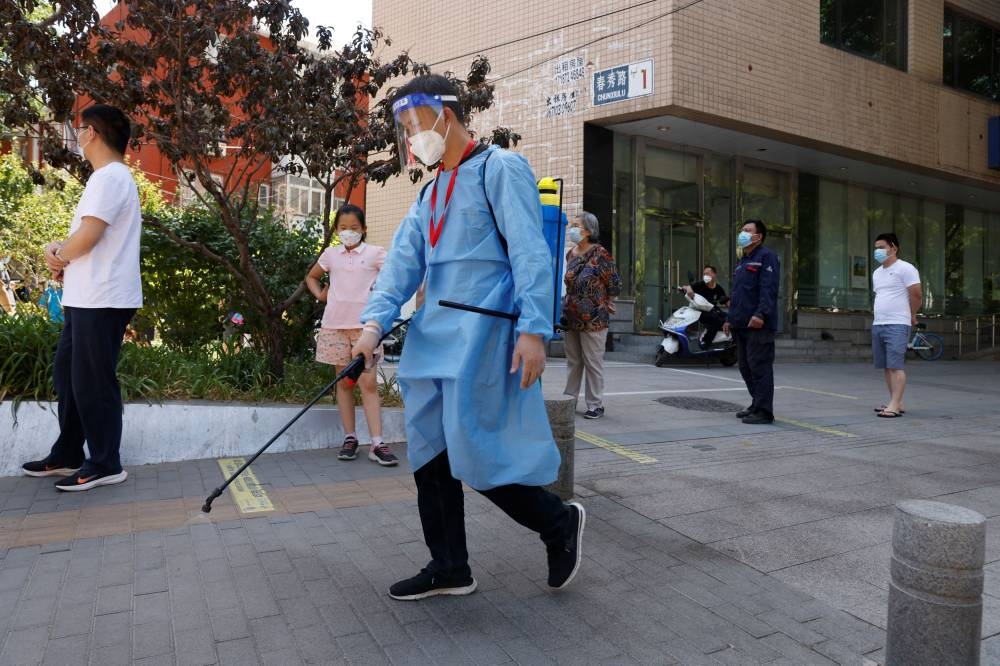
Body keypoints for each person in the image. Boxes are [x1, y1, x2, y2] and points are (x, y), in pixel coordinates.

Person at [352, 74, 585, 601]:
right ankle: (449, 565)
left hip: (484, 336)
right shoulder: (431, 193)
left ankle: (558, 523)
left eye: (414, 125)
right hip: (433, 338)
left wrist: (533, 330)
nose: (412, 139)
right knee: (432, 456)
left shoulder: (498, 168)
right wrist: (371, 327)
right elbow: (400, 269)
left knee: (477, 455)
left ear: (445, 115)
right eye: (405, 130)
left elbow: (530, 251)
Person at [21, 104, 142, 491]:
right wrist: (63, 253)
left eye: (79, 127)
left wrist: (59, 255)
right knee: (69, 375)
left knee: (93, 380)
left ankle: (106, 462)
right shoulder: (108, 178)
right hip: (88, 296)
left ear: (91, 133)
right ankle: (69, 452)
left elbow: (89, 236)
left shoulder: (110, 178)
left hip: (103, 298)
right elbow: (86, 238)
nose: (77, 134)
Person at [305, 204, 397, 466]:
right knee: (344, 383)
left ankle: (377, 442)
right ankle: (350, 438)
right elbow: (311, 278)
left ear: (364, 229)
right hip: (335, 326)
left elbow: (396, 275)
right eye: (343, 228)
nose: (348, 233)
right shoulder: (330, 255)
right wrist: (321, 294)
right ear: (336, 230)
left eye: (354, 228)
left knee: (367, 383)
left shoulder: (375, 253)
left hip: (365, 328)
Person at [561, 211, 621, 419]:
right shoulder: (571, 254)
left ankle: (595, 404)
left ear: (587, 231)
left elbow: (614, 283)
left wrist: (609, 302)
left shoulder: (600, 254)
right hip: (571, 316)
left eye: (576, 225)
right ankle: (569, 399)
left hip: (594, 318)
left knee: (592, 362)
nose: (572, 228)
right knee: (574, 360)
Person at [724, 219, 779, 425]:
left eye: (747, 231)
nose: (742, 234)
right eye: (741, 230)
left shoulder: (767, 257)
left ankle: (765, 411)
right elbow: (738, 294)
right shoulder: (743, 261)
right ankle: (757, 404)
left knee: (760, 366)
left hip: (758, 324)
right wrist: (729, 319)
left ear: (758, 236)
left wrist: (761, 315)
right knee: (745, 367)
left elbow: (769, 289)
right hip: (740, 324)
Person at [871, 232, 921, 418]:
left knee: (896, 366)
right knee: (886, 365)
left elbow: (916, 295)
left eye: (882, 247)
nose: (878, 251)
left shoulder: (906, 268)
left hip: (897, 323)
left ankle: (894, 405)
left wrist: (912, 315)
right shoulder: (877, 273)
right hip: (879, 323)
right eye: (876, 248)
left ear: (893, 248)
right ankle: (895, 401)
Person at [684, 264, 728, 347]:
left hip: (714, 310)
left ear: (714, 274)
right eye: (704, 274)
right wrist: (689, 289)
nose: (705, 276)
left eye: (707, 273)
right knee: (716, 320)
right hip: (701, 311)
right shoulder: (700, 285)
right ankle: (705, 341)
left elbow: (726, 301)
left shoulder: (719, 289)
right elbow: (686, 287)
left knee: (729, 318)